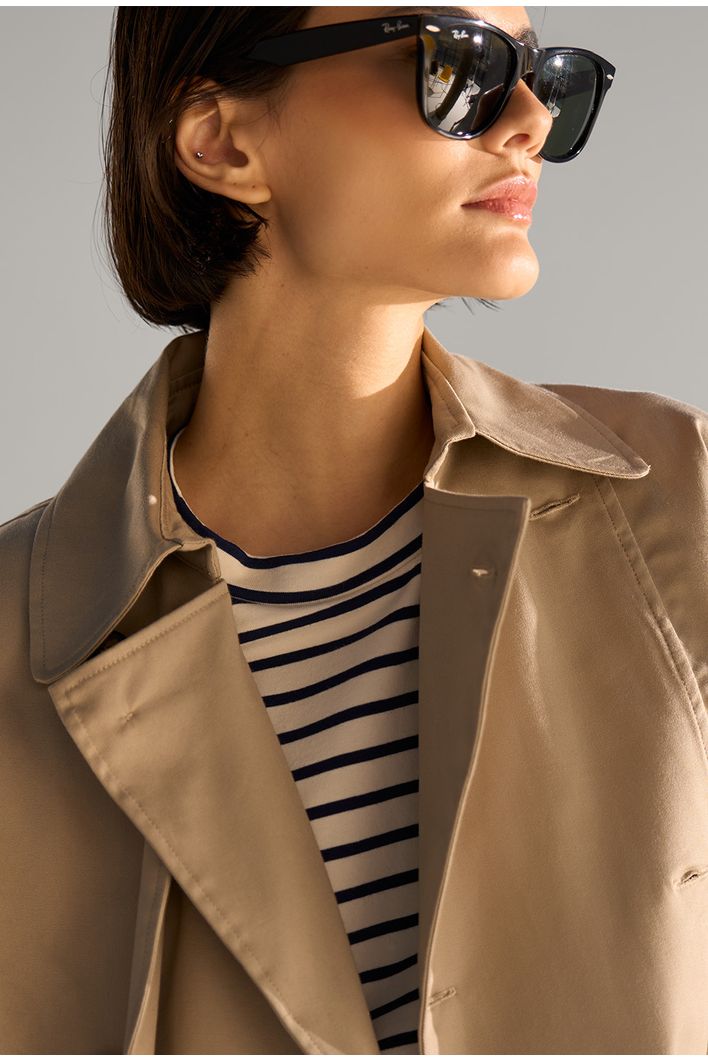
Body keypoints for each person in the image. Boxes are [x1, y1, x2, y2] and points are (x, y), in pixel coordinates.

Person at [1, 5, 706, 1055]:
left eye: (543, 73)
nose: (528, 120)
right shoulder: (18, 634)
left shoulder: (679, 501)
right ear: (224, 144)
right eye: (458, 63)